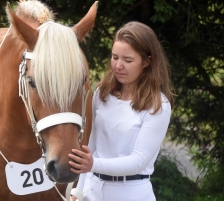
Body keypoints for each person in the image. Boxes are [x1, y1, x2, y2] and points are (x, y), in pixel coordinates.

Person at [68, 21, 175, 201]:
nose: (118, 65)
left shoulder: (158, 105)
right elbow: (91, 145)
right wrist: (77, 192)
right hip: (91, 192)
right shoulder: (102, 93)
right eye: (115, 57)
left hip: (131, 193)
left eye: (128, 60)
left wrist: (93, 164)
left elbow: (138, 161)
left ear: (147, 61)